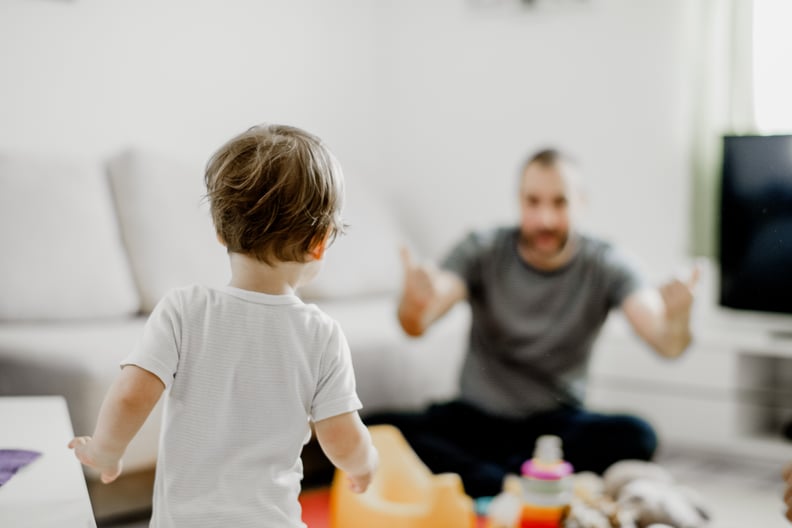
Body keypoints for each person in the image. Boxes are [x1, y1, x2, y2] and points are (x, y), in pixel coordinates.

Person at [68, 124, 378, 527]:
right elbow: (341, 437)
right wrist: (364, 463)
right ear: (318, 243)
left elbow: (131, 396)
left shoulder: (184, 309)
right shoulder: (321, 335)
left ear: (220, 231)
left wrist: (107, 449)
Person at [365, 148, 699, 499]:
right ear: (519, 202)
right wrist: (415, 303)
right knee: (373, 431)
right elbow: (418, 322)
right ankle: (521, 481)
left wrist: (678, 320)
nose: (545, 219)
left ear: (581, 203)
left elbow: (665, 341)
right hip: (474, 420)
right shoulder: (482, 249)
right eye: (533, 202)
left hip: (555, 428)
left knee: (638, 436)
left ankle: (488, 477)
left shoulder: (608, 264)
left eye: (560, 203)